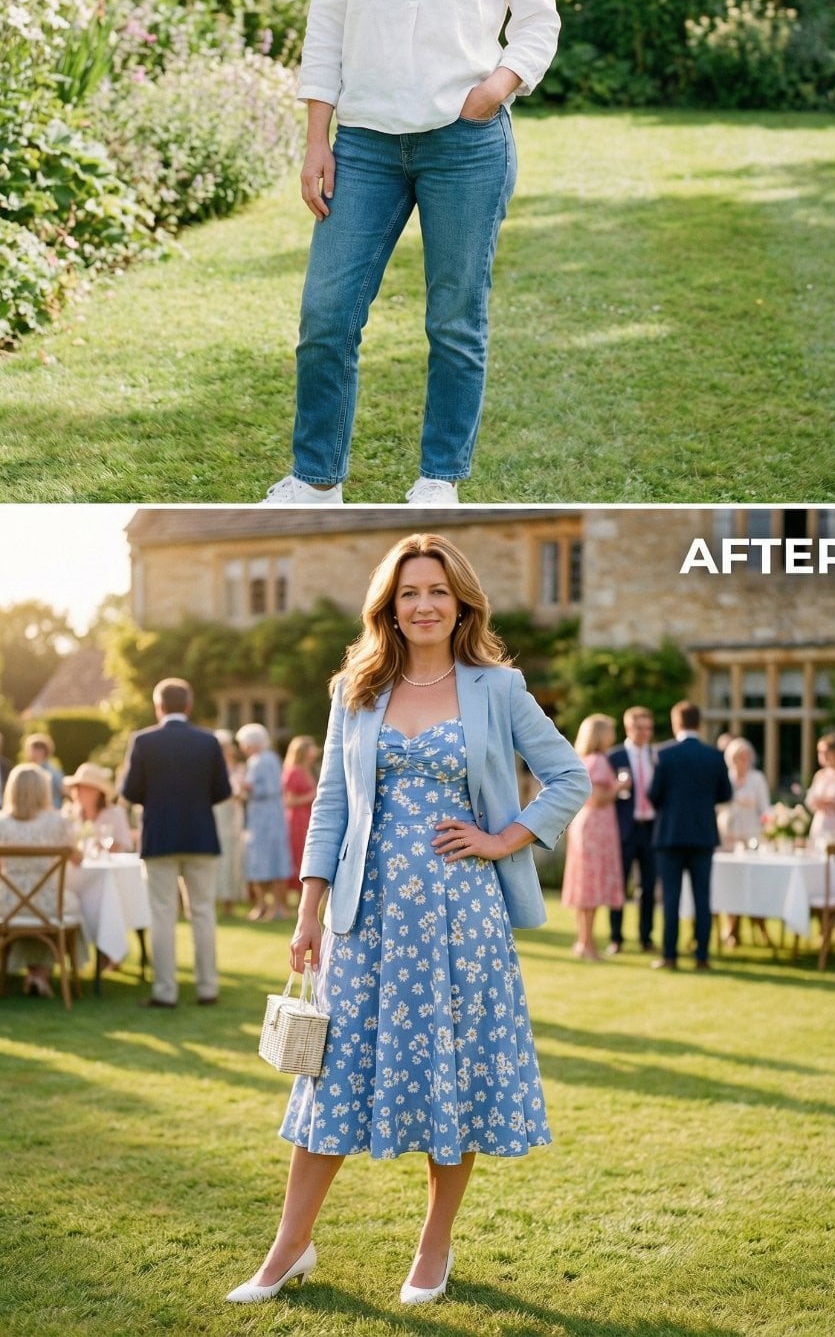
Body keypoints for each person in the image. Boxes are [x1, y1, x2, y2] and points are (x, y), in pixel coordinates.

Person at [226, 532, 590, 1306]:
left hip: (464, 917)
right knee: (327, 1078)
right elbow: (330, 803)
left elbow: (568, 775)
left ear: (461, 602)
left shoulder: (498, 687)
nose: (423, 605)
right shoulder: (355, 689)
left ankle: (434, 1247)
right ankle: (288, 1248)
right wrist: (309, 911)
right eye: (408, 593)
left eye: (437, 591)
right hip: (365, 917)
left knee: (452, 1074)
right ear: (388, 608)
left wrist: (502, 838)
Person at [264, 0, 560, 507]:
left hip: (465, 144)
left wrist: (496, 86)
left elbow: (538, 24)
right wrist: (316, 140)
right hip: (362, 143)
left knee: (455, 320)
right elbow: (325, 27)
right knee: (327, 315)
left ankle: (438, 479)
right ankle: (316, 480)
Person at [119, 678, 231, 1008]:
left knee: (162, 914)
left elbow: (129, 792)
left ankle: (165, 991)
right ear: (188, 705)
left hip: (159, 837)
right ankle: (207, 987)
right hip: (200, 835)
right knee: (203, 913)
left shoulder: (143, 741)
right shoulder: (208, 741)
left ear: (159, 707)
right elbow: (223, 790)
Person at [0, 762, 84, 997]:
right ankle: (41, 975)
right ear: (44, 790)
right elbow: (77, 859)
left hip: (7, 905)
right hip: (47, 903)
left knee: (22, 910)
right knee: (70, 906)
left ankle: (33, 974)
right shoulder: (58, 822)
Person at [647, 701, 732, 972]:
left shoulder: (664, 753)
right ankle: (702, 957)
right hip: (703, 834)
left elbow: (653, 795)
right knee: (702, 898)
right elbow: (726, 794)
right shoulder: (715, 756)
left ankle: (670, 956)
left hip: (670, 836)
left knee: (670, 898)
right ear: (700, 723)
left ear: (676, 722)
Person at [561, 714, 624, 960]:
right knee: (591, 887)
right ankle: (588, 945)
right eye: (609, 731)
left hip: (584, 825)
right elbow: (598, 798)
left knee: (584, 885)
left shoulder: (584, 759)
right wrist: (619, 786)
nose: (613, 736)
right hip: (597, 827)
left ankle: (583, 941)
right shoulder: (598, 761)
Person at [607, 705, 657, 955]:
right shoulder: (614, 757)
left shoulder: (657, 756)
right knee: (619, 885)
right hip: (624, 829)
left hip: (651, 828)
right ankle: (616, 938)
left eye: (648, 728)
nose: (645, 733)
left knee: (648, 887)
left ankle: (646, 938)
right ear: (628, 728)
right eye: (639, 728)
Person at [718, 737, 772, 947]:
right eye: (740, 756)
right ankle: (731, 927)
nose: (745, 760)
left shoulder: (757, 779)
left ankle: (759, 926)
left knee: (752, 880)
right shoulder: (725, 777)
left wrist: (770, 826)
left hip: (751, 834)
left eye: (747, 756)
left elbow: (765, 807)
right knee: (730, 880)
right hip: (728, 834)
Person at [238, 724, 292, 922]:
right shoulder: (255, 761)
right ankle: (261, 905)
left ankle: (278, 906)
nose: (242, 747)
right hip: (257, 817)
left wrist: (247, 786)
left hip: (270, 817)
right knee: (256, 861)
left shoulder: (267, 759)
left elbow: (271, 788)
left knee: (274, 860)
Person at [62, 762, 134, 852]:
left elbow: (124, 844)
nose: (78, 792)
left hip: (110, 865)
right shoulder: (69, 813)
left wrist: (102, 850)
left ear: (97, 792)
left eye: (84, 788)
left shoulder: (116, 813)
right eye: (77, 787)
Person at [213, 729, 246, 917]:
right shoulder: (214, 769)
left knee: (233, 856)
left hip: (235, 815)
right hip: (219, 815)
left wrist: (240, 793)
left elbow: (243, 792)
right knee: (221, 858)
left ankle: (231, 901)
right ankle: (221, 900)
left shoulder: (239, 767)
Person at [282, 736, 320, 891]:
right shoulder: (293, 772)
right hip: (298, 819)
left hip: (309, 817)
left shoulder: (309, 770)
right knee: (299, 854)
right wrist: (313, 795)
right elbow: (289, 801)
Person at [25, 733, 65, 810]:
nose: (36, 752)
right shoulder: (26, 769)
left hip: (50, 809)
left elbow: (62, 788)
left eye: (39, 749)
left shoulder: (52, 770)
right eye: (34, 749)